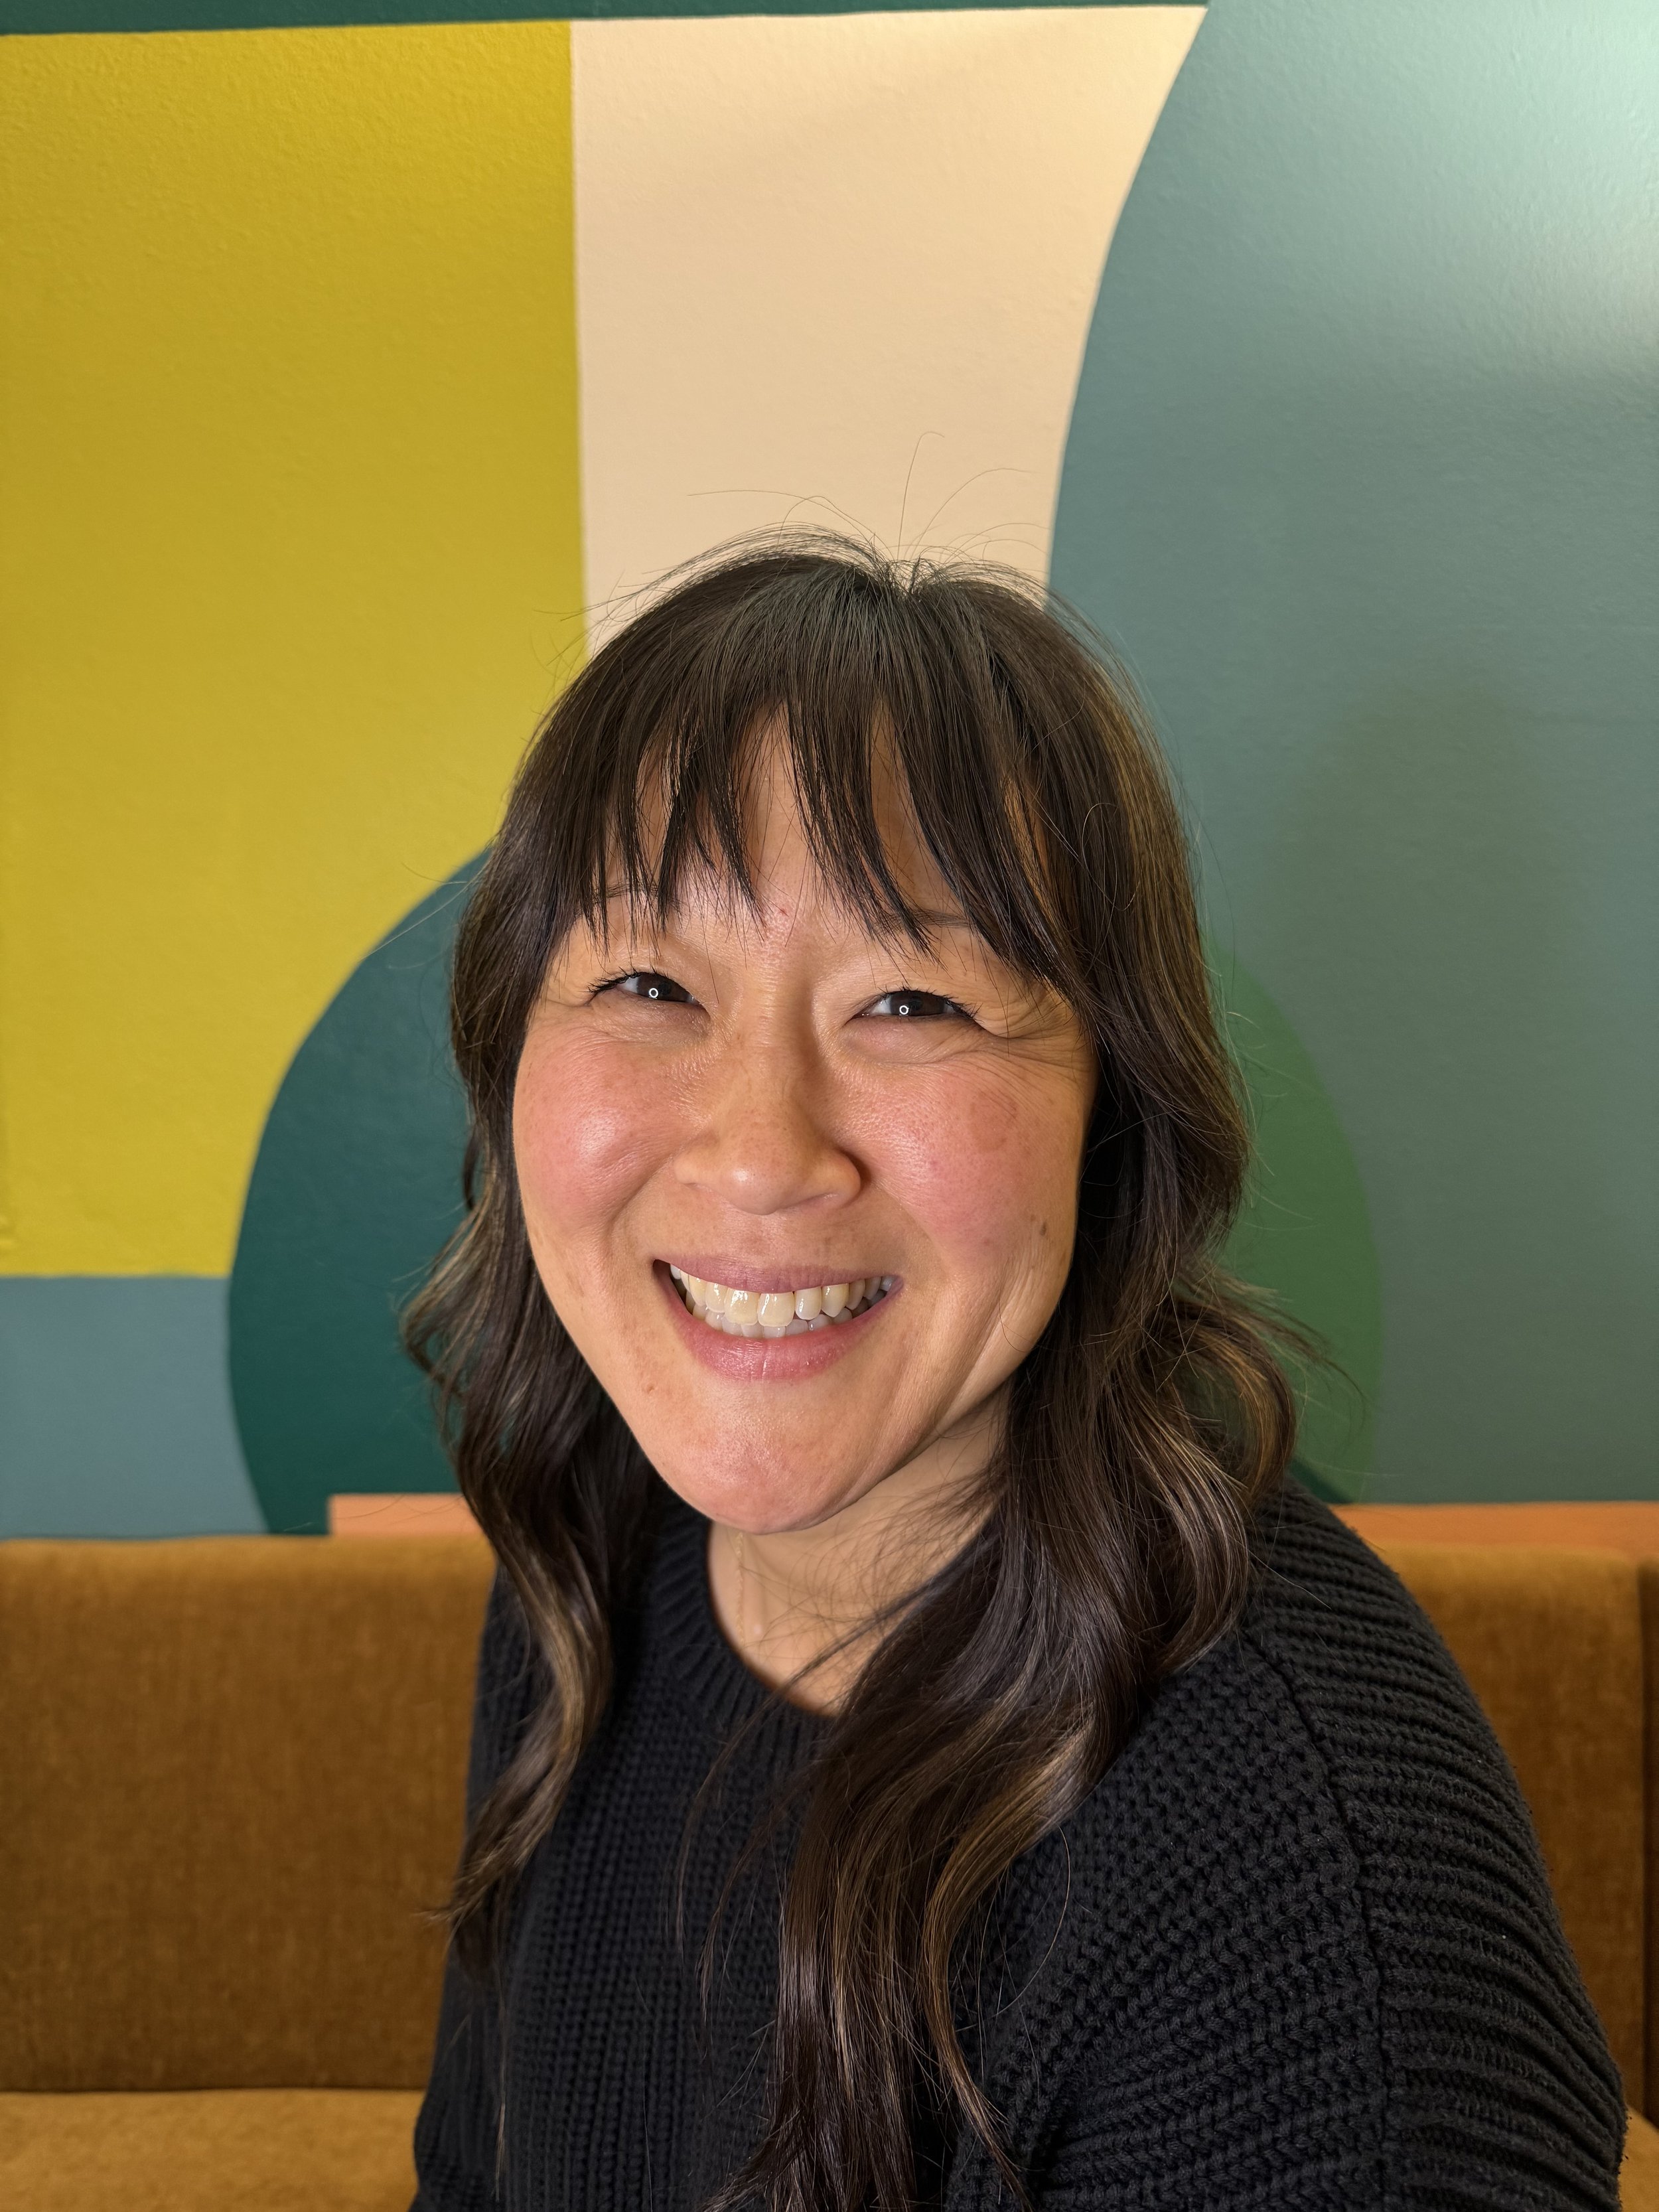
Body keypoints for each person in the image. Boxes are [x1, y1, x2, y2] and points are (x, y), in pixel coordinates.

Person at [406, 539, 1621, 2211]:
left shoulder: (1306, 1911)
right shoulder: (589, 1535)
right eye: (646, 981)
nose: (759, 1152)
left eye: (912, 1000)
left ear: (1111, 1108)